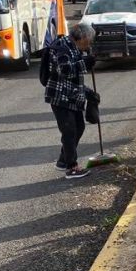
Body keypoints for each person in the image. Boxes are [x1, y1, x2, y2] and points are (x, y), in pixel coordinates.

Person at [43, 23, 95, 179]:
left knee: (78, 127)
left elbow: (75, 80)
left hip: (72, 96)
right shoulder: (62, 47)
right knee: (69, 131)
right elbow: (65, 70)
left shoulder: (74, 47)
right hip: (60, 96)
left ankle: (63, 160)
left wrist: (88, 93)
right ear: (82, 37)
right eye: (89, 40)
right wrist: (84, 63)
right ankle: (72, 167)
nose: (89, 44)